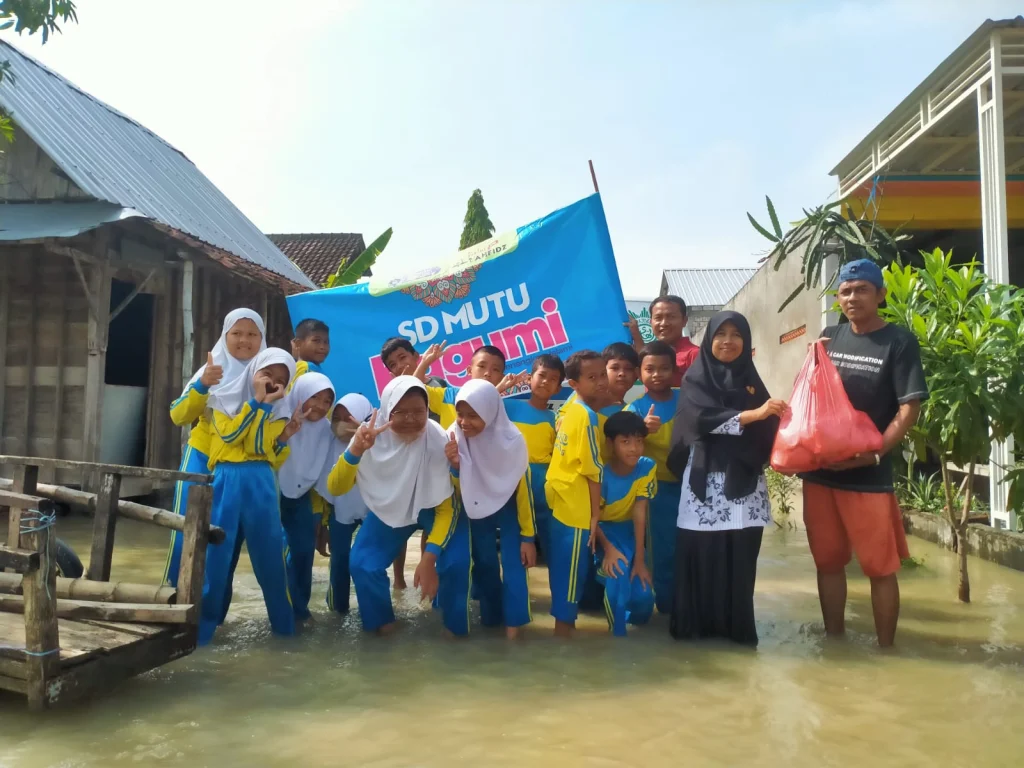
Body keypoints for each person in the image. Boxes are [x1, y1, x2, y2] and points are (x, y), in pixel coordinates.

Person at [799, 259, 926, 648]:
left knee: (879, 567)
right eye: (846, 291)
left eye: (862, 290)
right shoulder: (829, 337)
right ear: (838, 298)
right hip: (821, 472)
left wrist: (875, 455)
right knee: (827, 561)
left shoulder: (898, 342)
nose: (853, 297)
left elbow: (909, 408)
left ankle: (886, 650)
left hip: (868, 476)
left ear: (881, 295)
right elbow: (810, 396)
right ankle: (834, 644)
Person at [669, 311, 784, 647]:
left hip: (745, 482)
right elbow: (699, 419)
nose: (728, 341)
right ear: (709, 340)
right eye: (721, 334)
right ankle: (694, 631)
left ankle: (737, 630)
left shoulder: (752, 381)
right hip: (705, 483)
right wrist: (754, 415)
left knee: (741, 557)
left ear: (746, 342)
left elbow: (772, 426)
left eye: (737, 335)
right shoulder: (695, 379)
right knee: (701, 555)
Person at [326, 377, 471, 637]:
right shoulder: (369, 436)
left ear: (428, 410)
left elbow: (447, 509)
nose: (410, 419)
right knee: (362, 563)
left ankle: (453, 630)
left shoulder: (437, 438)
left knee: (456, 563)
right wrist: (356, 450)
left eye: (419, 411)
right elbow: (336, 487)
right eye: (400, 412)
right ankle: (383, 626)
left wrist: (429, 558)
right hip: (391, 507)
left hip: (435, 508)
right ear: (386, 411)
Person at [201, 347, 302, 645]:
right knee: (216, 559)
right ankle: (203, 634)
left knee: (271, 560)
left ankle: (284, 634)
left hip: (261, 482)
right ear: (253, 372)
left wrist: (267, 409)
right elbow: (232, 436)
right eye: (267, 373)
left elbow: (258, 447)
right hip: (225, 479)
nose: (273, 382)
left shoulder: (279, 412)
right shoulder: (222, 399)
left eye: (281, 379)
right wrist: (257, 402)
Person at [165, 308, 265, 587]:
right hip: (202, 459)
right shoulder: (212, 371)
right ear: (225, 336)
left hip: (242, 469)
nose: (244, 340)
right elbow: (178, 416)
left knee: (227, 541)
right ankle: (173, 596)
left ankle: (216, 608)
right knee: (186, 530)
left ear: (262, 339)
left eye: (252, 334)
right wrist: (202, 385)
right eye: (237, 333)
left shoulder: (269, 373)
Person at [447, 380, 536, 639]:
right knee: (484, 562)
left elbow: (524, 494)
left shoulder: (513, 441)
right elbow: (455, 491)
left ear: (489, 412)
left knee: (515, 564)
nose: (464, 422)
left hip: (509, 508)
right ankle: (490, 619)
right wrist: (455, 466)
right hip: (475, 507)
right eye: (460, 414)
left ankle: (513, 631)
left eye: (473, 415)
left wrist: (528, 537)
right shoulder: (454, 437)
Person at [544, 350, 607, 637]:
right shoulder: (587, 417)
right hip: (576, 511)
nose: (601, 382)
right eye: (592, 377)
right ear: (574, 383)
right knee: (571, 583)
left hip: (561, 503)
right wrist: (594, 517)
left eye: (602, 375)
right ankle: (563, 641)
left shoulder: (570, 409)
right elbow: (593, 471)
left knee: (561, 578)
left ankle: (562, 638)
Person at [381, 336, 450, 589]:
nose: (399, 366)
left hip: (433, 464)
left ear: (415, 356)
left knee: (431, 522)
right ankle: (399, 580)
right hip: (404, 469)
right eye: (392, 364)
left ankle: (425, 570)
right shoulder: (392, 393)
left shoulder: (439, 385)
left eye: (402, 358)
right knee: (399, 520)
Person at [625, 340, 681, 613]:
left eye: (664, 368)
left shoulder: (688, 400)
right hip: (654, 493)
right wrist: (641, 432)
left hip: (689, 488)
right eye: (650, 369)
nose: (657, 374)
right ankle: (665, 605)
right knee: (660, 550)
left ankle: (687, 603)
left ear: (674, 370)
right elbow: (621, 451)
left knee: (688, 549)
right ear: (639, 373)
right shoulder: (634, 410)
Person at [277, 372, 336, 621]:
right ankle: (279, 609)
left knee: (303, 552)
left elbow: (328, 475)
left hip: (300, 495)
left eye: (327, 401)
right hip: (271, 492)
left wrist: (323, 520)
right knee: (272, 553)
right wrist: (285, 435)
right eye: (315, 397)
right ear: (300, 394)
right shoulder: (278, 417)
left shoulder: (326, 431)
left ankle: (299, 610)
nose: (321, 406)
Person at [593, 411, 657, 637]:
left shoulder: (646, 467)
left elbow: (640, 512)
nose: (634, 449)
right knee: (618, 577)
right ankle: (616, 635)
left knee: (644, 600)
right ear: (611, 444)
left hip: (629, 532)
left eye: (639, 441)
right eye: (626, 442)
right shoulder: (600, 474)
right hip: (602, 534)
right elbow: (592, 518)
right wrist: (608, 549)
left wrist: (640, 561)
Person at [314, 393, 373, 615]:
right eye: (336, 418)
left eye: (347, 418)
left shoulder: (374, 443)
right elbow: (325, 485)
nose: (340, 424)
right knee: (339, 560)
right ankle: (338, 610)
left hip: (372, 510)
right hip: (339, 510)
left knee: (368, 561)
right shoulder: (330, 445)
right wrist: (323, 522)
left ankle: (371, 610)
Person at [503, 354, 562, 560]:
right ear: (529, 378)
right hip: (513, 483)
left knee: (551, 543)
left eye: (553, 379)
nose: (545, 381)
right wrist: (504, 386)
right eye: (541, 375)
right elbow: (482, 403)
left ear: (558, 388)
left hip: (543, 486)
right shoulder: (509, 408)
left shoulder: (556, 419)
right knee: (515, 541)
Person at [627, 295, 699, 387]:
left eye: (671, 317)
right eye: (658, 318)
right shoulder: (649, 355)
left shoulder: (695, 355)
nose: (664, 323)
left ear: (684, 321)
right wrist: (635, 334)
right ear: (651, 322)